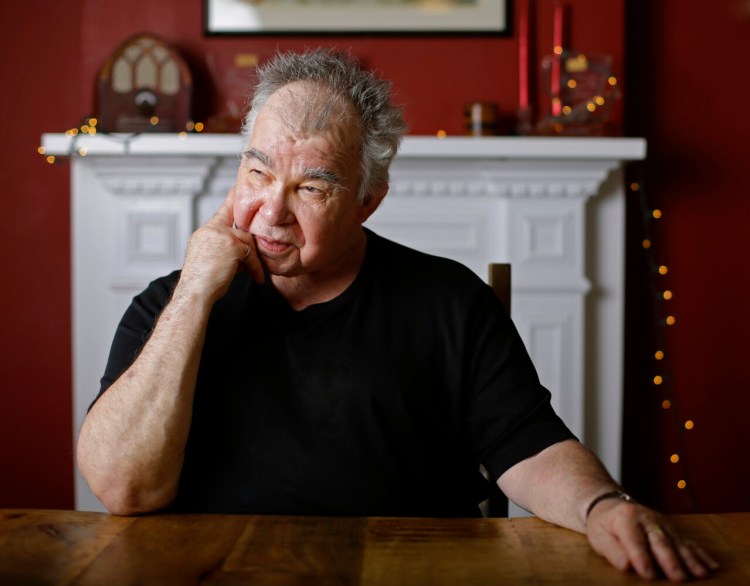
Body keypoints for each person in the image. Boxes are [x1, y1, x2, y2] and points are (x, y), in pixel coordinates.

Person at [77, 48, 718, 581]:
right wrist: (194, 294)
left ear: (367, 201)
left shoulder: (448, 301)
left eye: (312, 187)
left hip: (415, 572)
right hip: (219, 572)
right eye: (258, 171)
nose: (271, 211)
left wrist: (603, 506)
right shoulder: (172, 303)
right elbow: (124, 489)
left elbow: (527, 446)